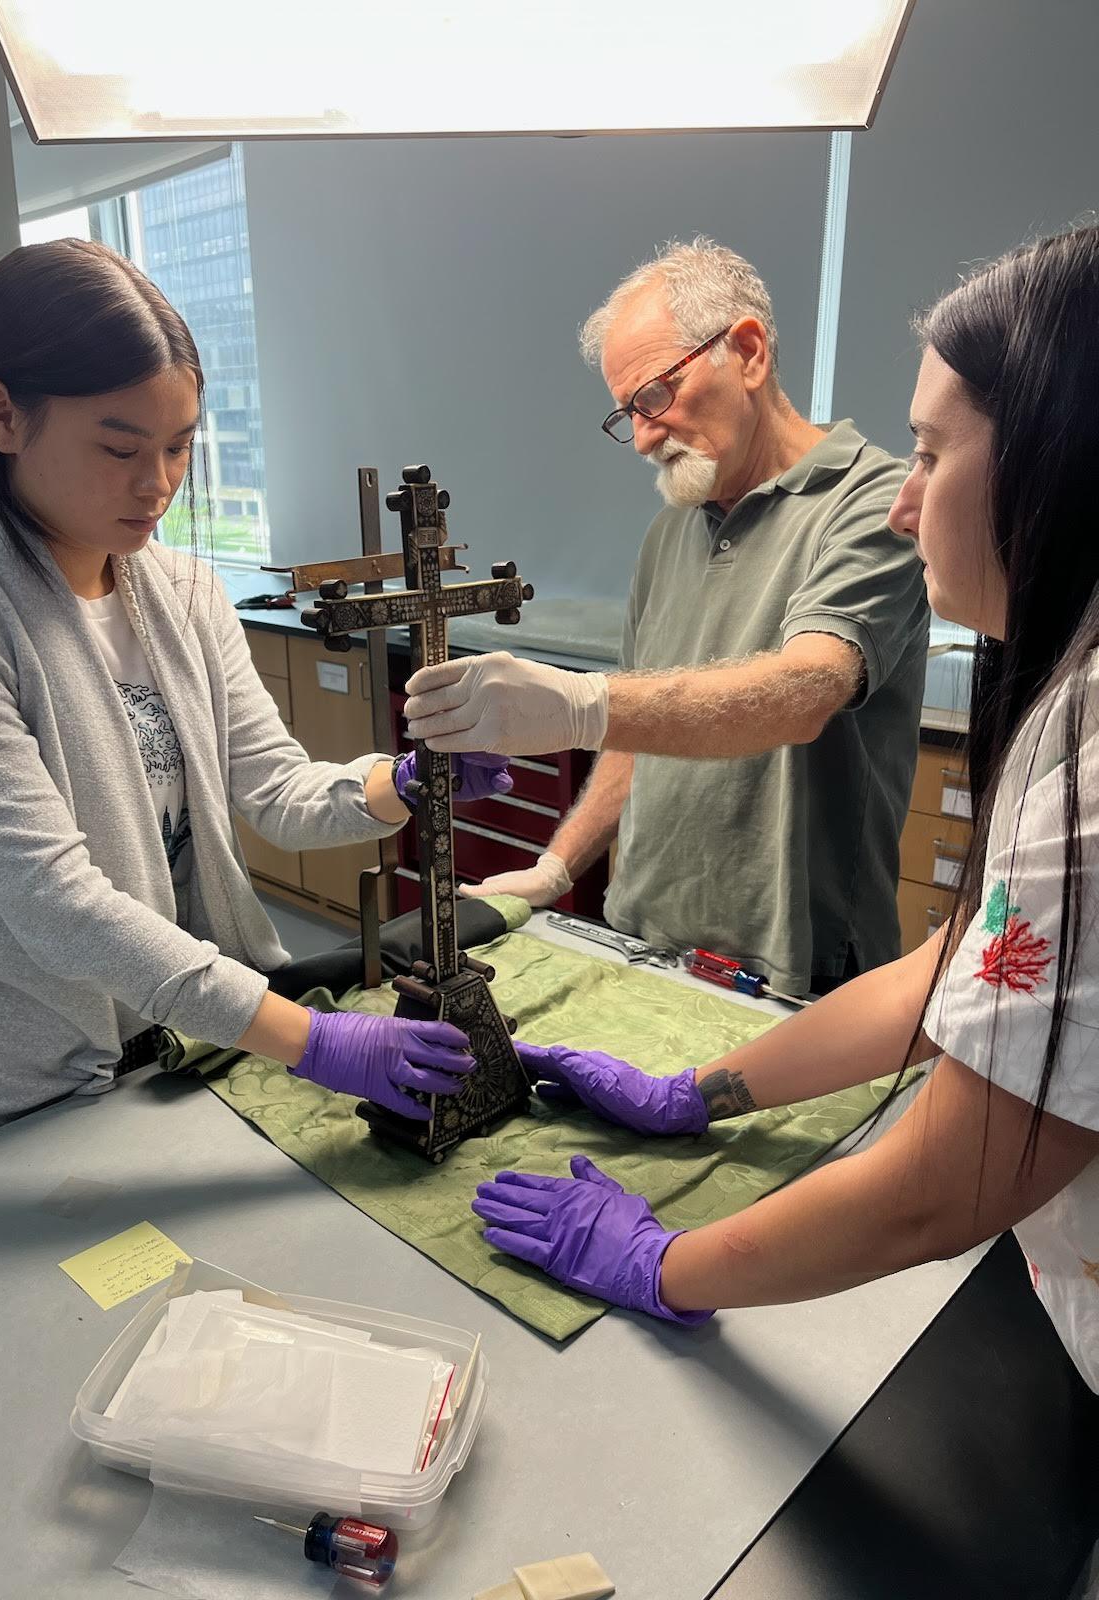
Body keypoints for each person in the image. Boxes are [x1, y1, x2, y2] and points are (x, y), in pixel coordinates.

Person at [471, 224, 1099, 1406]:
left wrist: (665, 1261)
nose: (913, 506)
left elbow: (941, 1184)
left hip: (790, 955)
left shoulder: (1090, 768)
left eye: (933, 453)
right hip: (666, 945)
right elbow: (955, 972)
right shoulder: (1072, 702)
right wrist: (700, 1090)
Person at [0, 239, 511, 1165]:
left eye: (181, 445)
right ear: (2, 415)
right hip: (10, 1093)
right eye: (119, 447)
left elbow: (274, 794)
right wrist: (317, 1043)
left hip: (179, 1045)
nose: (159, 484)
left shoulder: (180, 593)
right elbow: (58, 903)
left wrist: (406, 783)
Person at [405, 239, 929, 995]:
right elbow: (638, 730)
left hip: (790, 965)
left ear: (747, 352)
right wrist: (555, 868)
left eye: (654, 396)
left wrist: (581, 705)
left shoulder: (872, 504)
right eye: (627, 414)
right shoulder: (672, 530)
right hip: (640, 935)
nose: (645, 436)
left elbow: (807, 689)